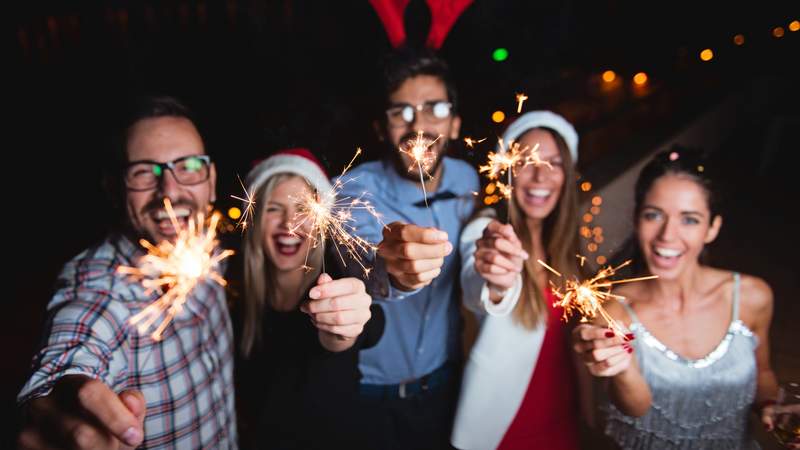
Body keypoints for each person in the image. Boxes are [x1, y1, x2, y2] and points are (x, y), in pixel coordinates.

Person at [16, 96, 238, 449]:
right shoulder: (103, 288)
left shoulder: (211, 247)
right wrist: (60, 406)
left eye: (189, 166)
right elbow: (75, 348)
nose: (169, 191)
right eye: (144, 172)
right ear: (116, 189)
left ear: (210, 180)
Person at [573, 148, 783, 449]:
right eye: (654, 215)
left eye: (690, 219)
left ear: (713, 228)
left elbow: (763, 373)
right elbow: (635, 409)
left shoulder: (752, 296)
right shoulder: (612, 313)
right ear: (636, 220)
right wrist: (620, 368)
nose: (667, 236)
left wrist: (770, 405)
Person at [337, 47, 479, 449]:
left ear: (454, 123)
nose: (419, 124)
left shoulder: (469, 182)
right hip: (367, 398)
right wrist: (394, 269)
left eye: (434, 108)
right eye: (402, 112)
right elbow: (360, 261)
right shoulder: (353, 190)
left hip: (442, 389)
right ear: (383, 127)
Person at [451, 111, 584, 449]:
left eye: (554, 163)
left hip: (567, 420)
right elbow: (476, 281)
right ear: (508, 170)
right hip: (507, 430)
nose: (541, 175)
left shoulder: (568, 248)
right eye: (527, 161)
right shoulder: (485, 232)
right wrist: (495, 282)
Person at [233, 148, 380, 449]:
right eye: (274, 208)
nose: (289, 224)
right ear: (256, 218)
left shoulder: (336, 279)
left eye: (302, 209)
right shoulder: (234, 295)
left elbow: (353, 329)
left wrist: (342, 323)